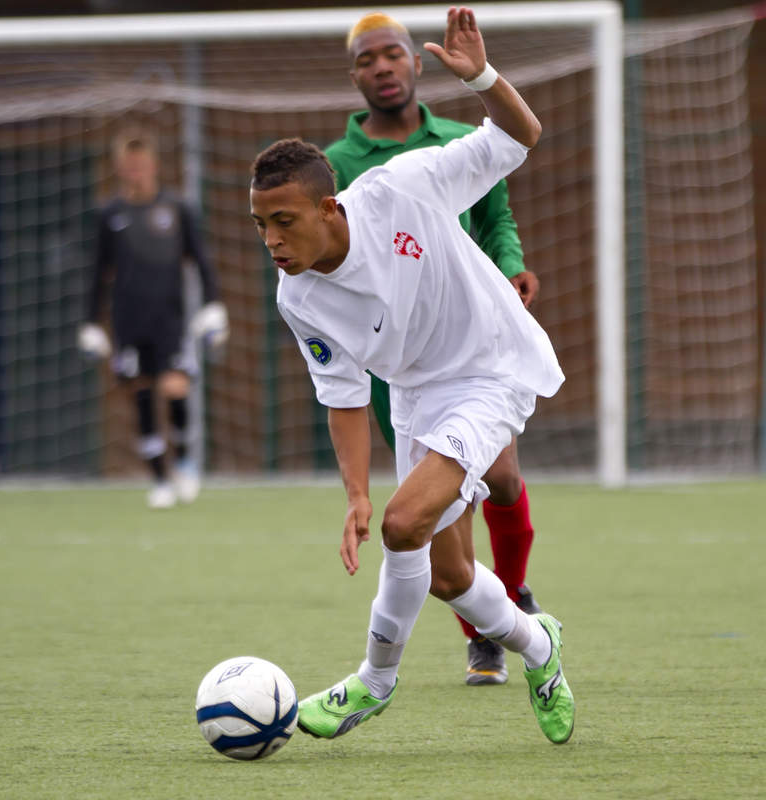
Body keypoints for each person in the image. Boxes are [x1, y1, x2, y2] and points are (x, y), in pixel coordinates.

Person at [248, 7, 574, 743]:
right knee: (452, 576)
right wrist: (356, 492)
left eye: (284, 222)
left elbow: (521, 136)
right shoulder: (296, 296)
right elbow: (343, 396)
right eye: (260, 225)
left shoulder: (406, 185)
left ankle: (374, 680)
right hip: (418, 394)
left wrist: (482, 79)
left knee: (406, 526)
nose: (272, 240)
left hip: (491, 367)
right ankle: (540, 645)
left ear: (330, 208)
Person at [326, 11, 545, 686]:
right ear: (354, 75)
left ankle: (514, 598)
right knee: (441, 512)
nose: (383, 67)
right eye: (367, 60)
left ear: (416, 64)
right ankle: (485, 633)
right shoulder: (332, 167)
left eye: (392, 54)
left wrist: (511, 264)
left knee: (501, 479)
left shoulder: (455, 139)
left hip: (471, 343)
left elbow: (496, 218)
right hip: (399, 363)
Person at [79, 131, 228, 509]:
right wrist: (91, 323)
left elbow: (202, 260)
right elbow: (98, 272)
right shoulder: (110, 215)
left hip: (171, 320)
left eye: (141, 166)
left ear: (154, 166)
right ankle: (160, 480)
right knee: (142, 396)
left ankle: (183, 463)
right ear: (119, 169)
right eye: (128, 168)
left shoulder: (177, 209)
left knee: (175, 390)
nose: (135, 174)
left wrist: (214, 305)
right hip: (129, 322)